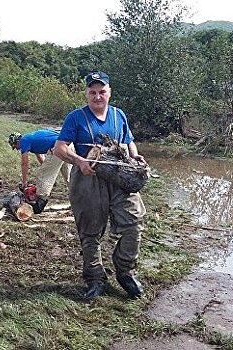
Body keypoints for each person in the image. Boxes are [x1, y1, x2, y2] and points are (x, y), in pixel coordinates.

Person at [53, 71, 146, 300]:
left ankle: (125, 271)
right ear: (86, 93)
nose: (97, 97)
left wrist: (135, 157)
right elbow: (60, 148)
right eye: (92, 92)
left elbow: (129, 141)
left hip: (119, 177)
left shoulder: (118, 115)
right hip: (88, 179)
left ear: (109, 92)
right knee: (90, 232)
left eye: (102, 91)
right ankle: (95, 278)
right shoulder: (75, 118)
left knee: (133, 223)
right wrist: (79, 161)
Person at [8, 129, 72, 213]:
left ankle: (39, 204)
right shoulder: (31, 138)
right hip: (67, 144)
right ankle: (79, 201)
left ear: (17, 141)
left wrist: (24, 182)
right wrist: (50, 172)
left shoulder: (24, 141)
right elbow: (40, 157)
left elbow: (24, 164)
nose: (17, 149)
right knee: (70, 177)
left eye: (15, 146)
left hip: (57, 147)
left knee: (42, 175)